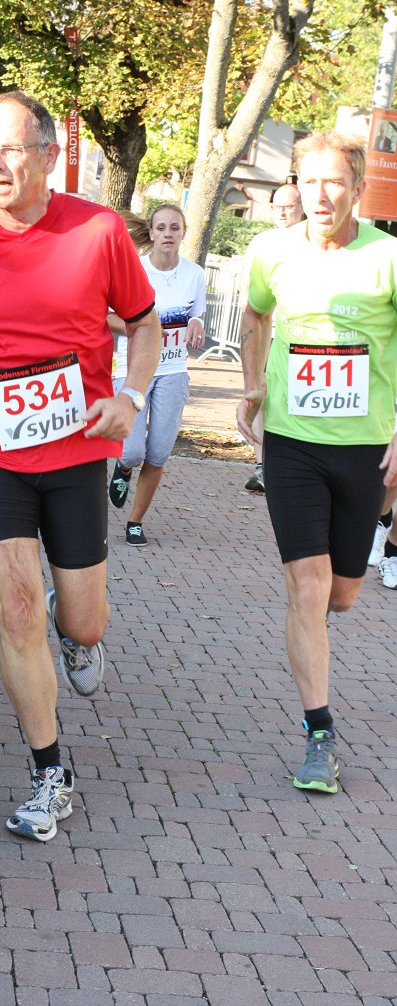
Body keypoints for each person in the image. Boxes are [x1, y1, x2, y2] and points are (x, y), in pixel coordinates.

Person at [0, 90, 159, 841]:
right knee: (14, 605)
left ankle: (77, 628)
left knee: (82, 612)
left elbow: (144, 326)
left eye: (12, 148)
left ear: (49, 156)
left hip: (78, 443)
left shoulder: (98, 230)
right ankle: (50, 772)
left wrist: (133, 397)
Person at [237, 131, 397, 795]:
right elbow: (254, 317)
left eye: (334, 181)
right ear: (296, 188)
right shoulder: (270, 250)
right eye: (309, 182)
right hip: (293, 442)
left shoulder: (388, 256)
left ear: (358, 188)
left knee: (343, 592)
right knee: (306, 584)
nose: (321, 194)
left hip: (364, 447)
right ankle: (319, 734)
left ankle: (330, 611)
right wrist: (251, 385)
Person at [108, 205, 205, 545]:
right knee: (132, 452)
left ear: (182, 234)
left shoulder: (194, 274)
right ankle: (122, 469)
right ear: (150, 233)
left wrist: (196, 323)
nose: (167, 233)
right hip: (134, 369)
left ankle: (135, 521)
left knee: (159, 453)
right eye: (161, 227)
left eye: (174, 228)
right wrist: (146, 331)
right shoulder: (134, 270)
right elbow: (107, 317)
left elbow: (197, 314)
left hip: (173, 371)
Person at [244, 183, 304, 494]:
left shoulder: (313, 242)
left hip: (299, 335)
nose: (282, 212)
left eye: (289, 206)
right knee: (261, 393)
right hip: (267, 330)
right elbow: (250, 290)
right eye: (277, 206)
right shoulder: (262, 242)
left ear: (302, 208)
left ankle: (287, 462)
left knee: (292, 396)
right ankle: (261, 465)